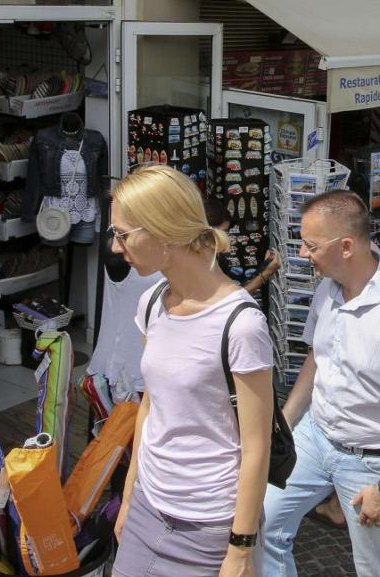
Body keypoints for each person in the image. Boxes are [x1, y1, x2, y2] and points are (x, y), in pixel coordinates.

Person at [261, 190, 380, 577]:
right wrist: (284, 428)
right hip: (315, 437)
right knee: (260, 524)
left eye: (310, 245)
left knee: (378, 569)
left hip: (373, 460)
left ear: (345, 246)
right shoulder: (327, 288)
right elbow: (317, 360)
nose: (302, 255)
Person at [110, 165, 274, 577]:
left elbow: (256, 448)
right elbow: (150, 404)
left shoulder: (241, 325)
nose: (115, 247)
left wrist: (240, 549)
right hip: (149, 506)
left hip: (211, 528)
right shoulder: (150, 303)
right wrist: (130, 493)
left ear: (162, 232)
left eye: (122, 234)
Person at [205, 195, 281, 294]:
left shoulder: (213, 258)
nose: (226, 238)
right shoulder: (201, 263)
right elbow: (230, 300)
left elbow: (233, 293)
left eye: (227, 233)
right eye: (223, 232)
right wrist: (267, 272)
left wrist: (263, 269)